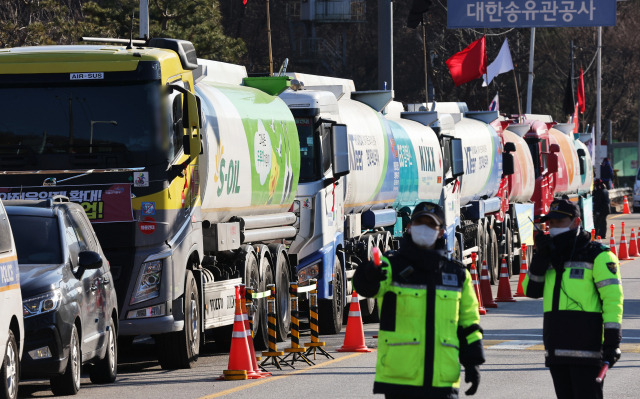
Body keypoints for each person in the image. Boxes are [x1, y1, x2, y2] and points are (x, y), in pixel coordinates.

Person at [353, 202, 484, 399]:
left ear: (441, 232)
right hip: (400, 381)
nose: (424, 228)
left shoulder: (457, 275)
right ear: (410, 227)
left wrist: (473, 363)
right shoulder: (392, 267)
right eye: (419, 222)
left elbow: (469, 324)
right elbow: (365, 286)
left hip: (443, 381)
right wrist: (369, 273)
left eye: (431, 225)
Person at [523, 199, 623, 399]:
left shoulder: (598, 255)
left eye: (558, 222)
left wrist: (612, 342)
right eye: (549, 222)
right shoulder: (550, 254)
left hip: (588, 351)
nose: (552, 227)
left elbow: (613, 301)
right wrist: (540, 257)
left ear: (576, 222)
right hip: (556, 348)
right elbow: (531, 290)